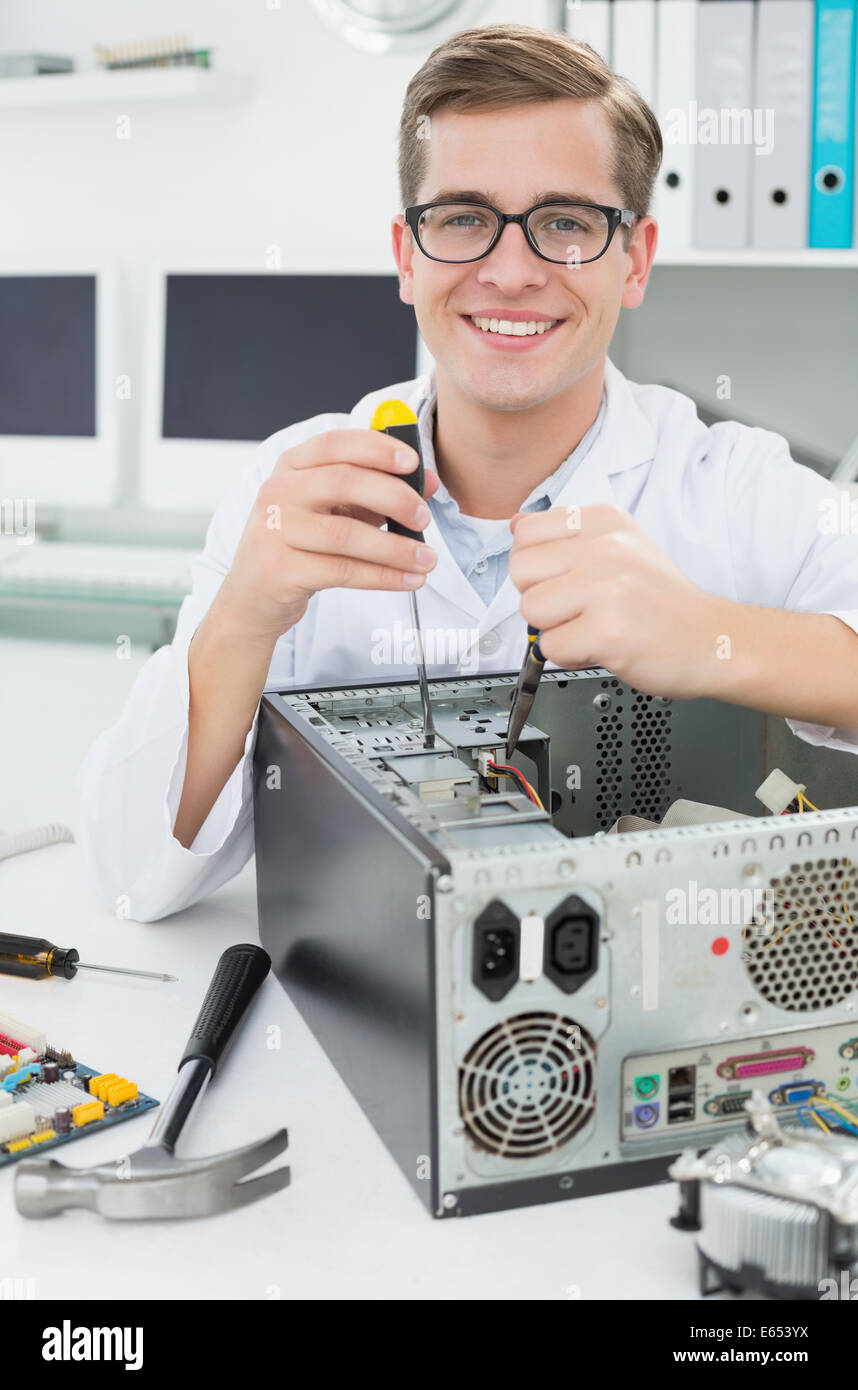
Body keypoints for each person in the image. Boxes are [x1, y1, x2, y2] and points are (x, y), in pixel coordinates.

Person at [78, 24, 858, 923]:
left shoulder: (732, 484)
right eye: (464, 219)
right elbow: (133, 875)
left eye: (565, 222)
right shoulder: (295, 486)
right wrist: (243, 621)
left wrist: (708, 635)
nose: (511, 270)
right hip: (352, 1019)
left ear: (634, 259)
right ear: (408, 256)